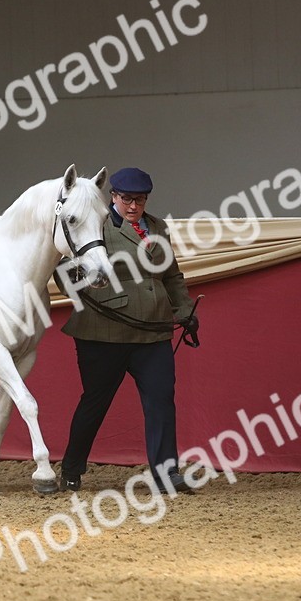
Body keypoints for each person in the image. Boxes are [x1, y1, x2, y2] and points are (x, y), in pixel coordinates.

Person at [57, 167, 200, 495]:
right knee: (95, 402)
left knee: (162, 399)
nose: (133, 205)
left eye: (140, 199)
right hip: (103, 332)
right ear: (113, 197)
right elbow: (65, 272)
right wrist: (91, 290)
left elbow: (171, 275)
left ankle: (167, 473)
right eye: (126, 199)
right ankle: (71, 468)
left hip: (152, 330)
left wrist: (184, 310)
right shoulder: (97, 223)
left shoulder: (158, 227)